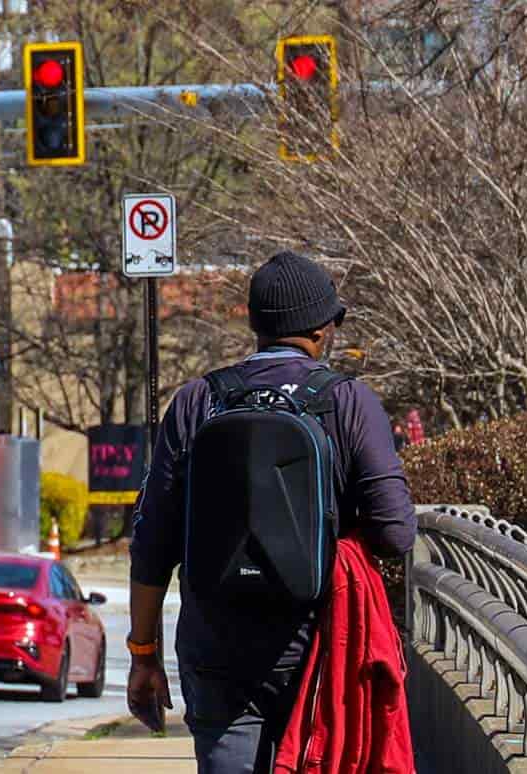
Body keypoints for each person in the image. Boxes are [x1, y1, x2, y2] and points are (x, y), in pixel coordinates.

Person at [124, 251, 416, 773]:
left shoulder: (198, 402)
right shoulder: (348, 402)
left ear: (255, 325)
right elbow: (395, 532)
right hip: (316, 643)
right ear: (324, 330)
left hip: (216, 647)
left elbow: (151, 543)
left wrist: (143, 653)